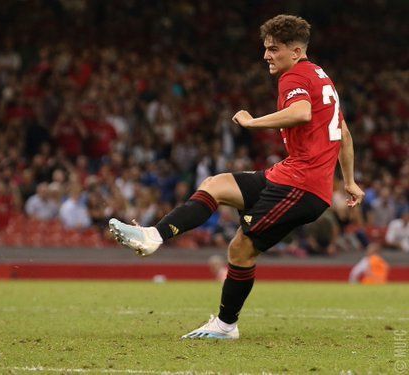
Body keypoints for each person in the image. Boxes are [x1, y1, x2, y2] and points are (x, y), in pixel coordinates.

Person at [109, 15, 365, 340]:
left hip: (300, 185)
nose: (266, 56)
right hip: (290, 175)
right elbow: (342, 132)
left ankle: (226, 325)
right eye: (266, 48)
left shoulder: (295, 76)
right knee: (215, 185)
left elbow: (301, 113)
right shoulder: (321, 77)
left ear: (296, 50)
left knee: (240, 249)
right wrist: (350, 181)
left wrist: (252, 122)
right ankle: (152, 237)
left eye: (273, 49)